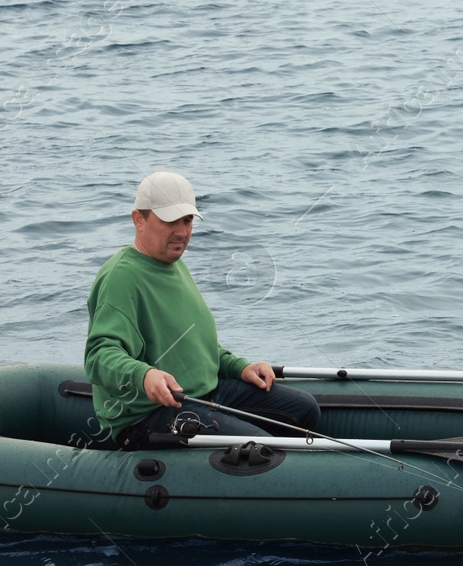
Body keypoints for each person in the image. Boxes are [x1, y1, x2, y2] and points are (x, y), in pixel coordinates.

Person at [84, 170, 319, 450]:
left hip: (207, 393)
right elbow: (99, 356)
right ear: (139, 220)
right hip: (149, 416)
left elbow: (194, 343)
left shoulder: (174, 264)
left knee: (304, 409)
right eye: (170, 221)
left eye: (187, 220)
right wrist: (143, 375)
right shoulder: (121, 277)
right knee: (263, 450)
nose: (182, 232)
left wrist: (239, 367)